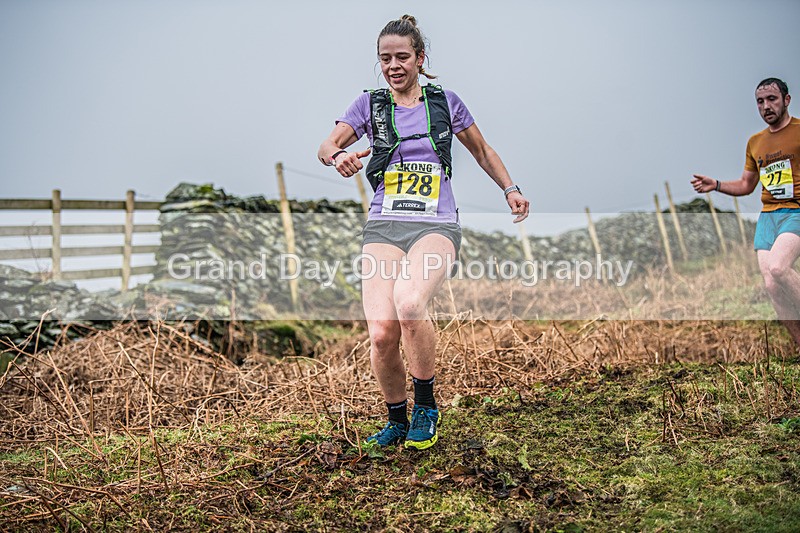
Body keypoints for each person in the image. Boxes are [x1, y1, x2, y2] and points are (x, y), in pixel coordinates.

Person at [317, 15, 529, 449]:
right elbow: (325, 147)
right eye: (385, 59)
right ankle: (396, 419)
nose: (393, 66)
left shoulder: (445, 102)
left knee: (410, 304)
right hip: (383, 224)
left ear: (420, 58)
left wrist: (511, 189)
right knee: (381, 332)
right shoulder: (369, 105)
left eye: (401, 57)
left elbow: (482, 151)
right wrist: (337, 156)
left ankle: (426, 407)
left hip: (435, 223)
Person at [692, 77, 800, 348]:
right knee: (773, 287)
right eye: (760, 102)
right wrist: (715, 185)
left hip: (795, 211)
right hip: (768, 217)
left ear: (787, 100)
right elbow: (746, 185)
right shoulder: (755, 142)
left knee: (778, 268)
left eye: (772, 99)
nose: (766, 106)